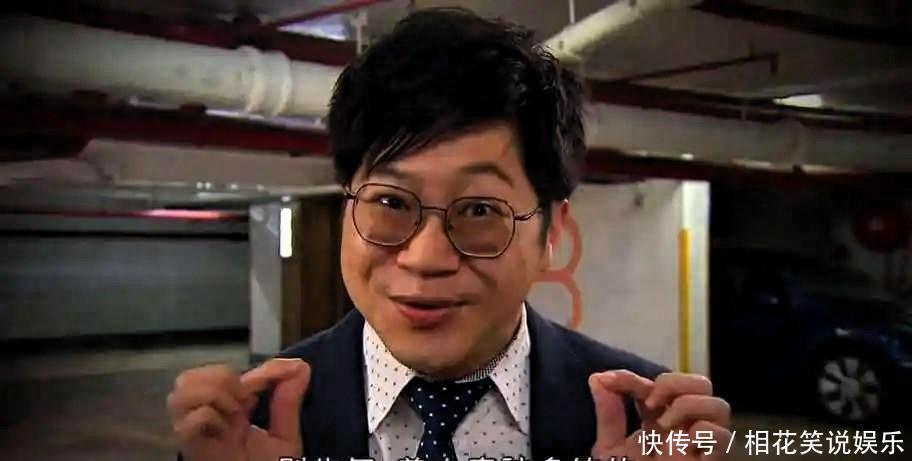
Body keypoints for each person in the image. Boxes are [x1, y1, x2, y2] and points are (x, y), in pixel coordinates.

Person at [167, 8, 731, 461]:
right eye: (390, 203)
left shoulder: (647, 427)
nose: (426, 257)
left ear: (551, 230)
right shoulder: (246, 425)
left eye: (480, 210)